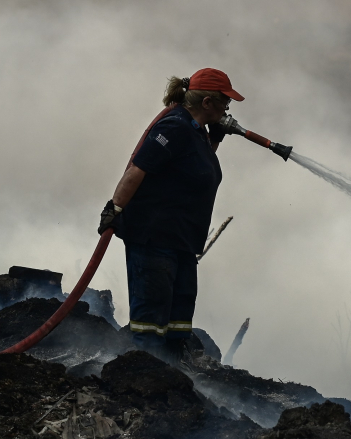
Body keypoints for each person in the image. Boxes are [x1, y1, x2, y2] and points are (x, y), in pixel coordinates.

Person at [97, 68, 244, 363]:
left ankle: (172, 370)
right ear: (207, 103)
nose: (228, 109)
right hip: (154, 238)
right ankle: (141, 373)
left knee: (179, 315)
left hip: (182, 241)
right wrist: (115, 208)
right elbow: (138, 169)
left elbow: (193, 169)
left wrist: (215, 140)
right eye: (225, 102)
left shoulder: (196, 132)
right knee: (151, 315)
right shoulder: (174, 127)